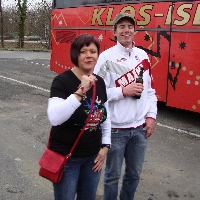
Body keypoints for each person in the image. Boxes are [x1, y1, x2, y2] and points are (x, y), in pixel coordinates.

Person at [94, 13, 157, 200]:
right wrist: (123, 91)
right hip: (115, 130)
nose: (126, 30)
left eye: (129, 26)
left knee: (134, 175)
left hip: (139, 130)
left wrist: (151, 116)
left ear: (135, 31)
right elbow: (97, 93)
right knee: (112, 177)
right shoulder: (105, 58)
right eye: (121, 27)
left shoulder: (143, 56)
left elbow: (151, 90)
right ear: (114, 32)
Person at [47, 33, 111, 200]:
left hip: (93, 157)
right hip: (68, 158)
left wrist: (105, 147)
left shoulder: (100, 82)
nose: (89, 55)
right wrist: (80, 91)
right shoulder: (62, 81)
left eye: (93, 51)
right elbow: (55, 118)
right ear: (75, 54)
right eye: (83, 51)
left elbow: (104, 115)